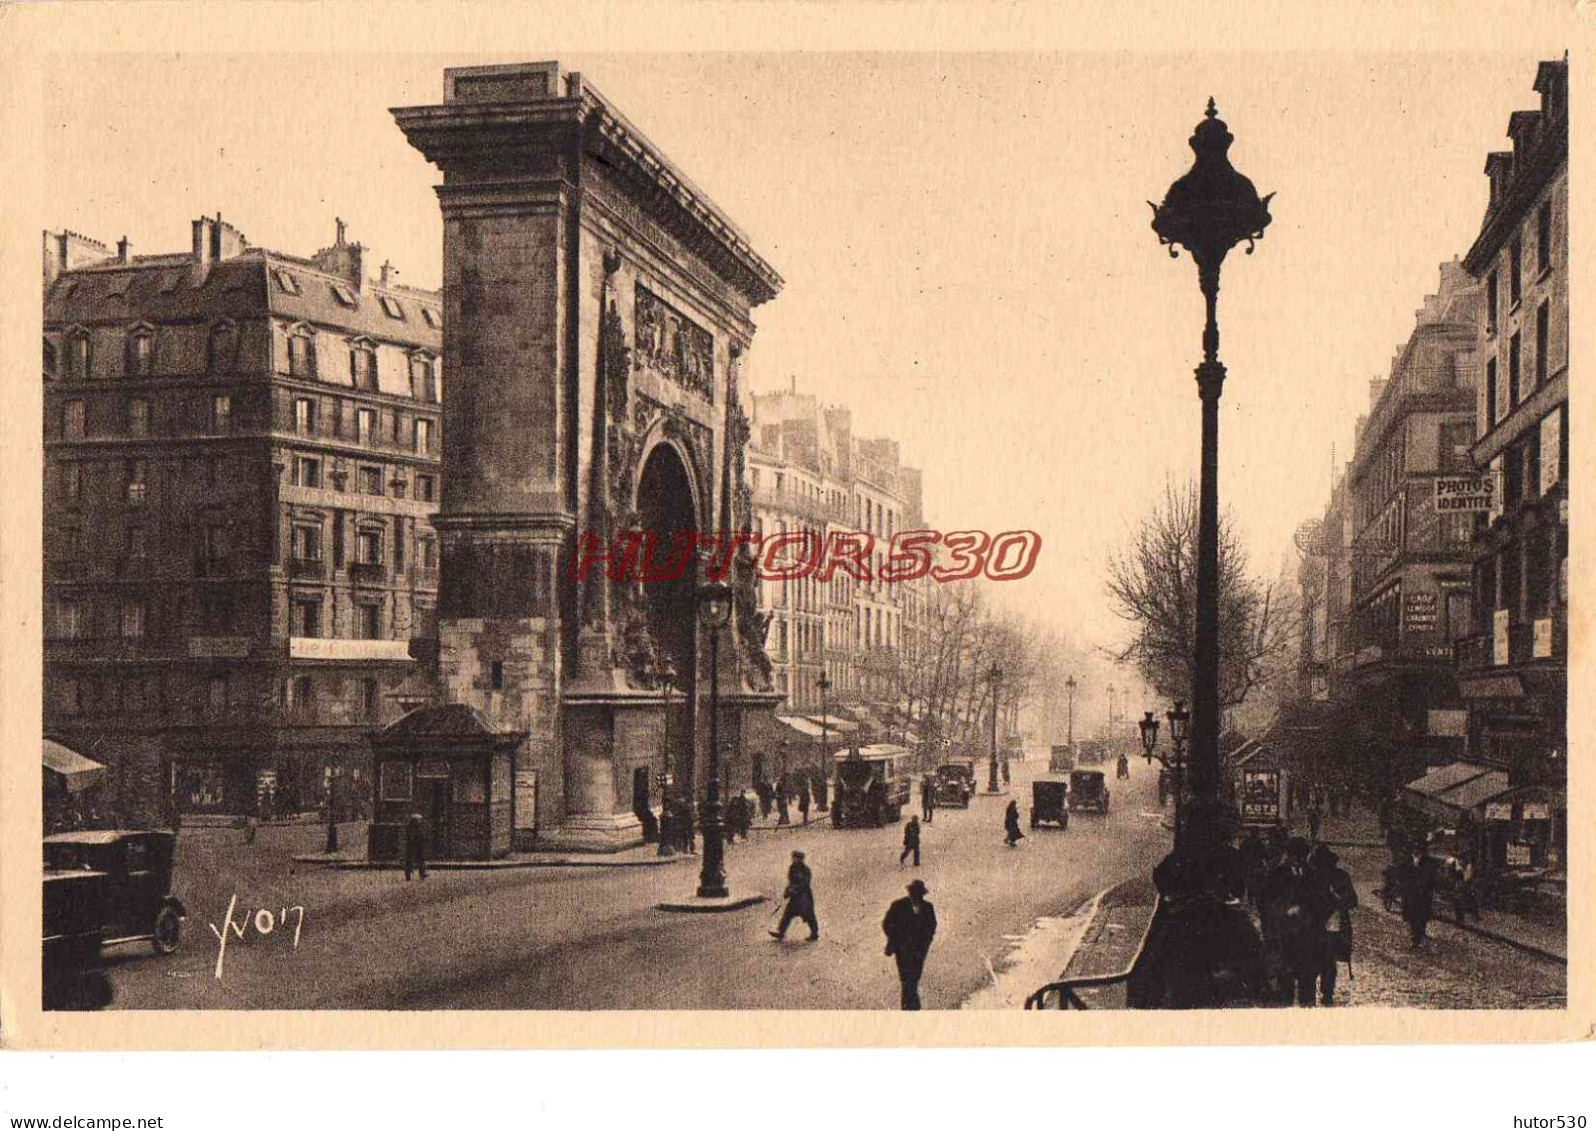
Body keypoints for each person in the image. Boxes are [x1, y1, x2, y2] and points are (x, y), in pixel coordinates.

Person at [1307, 843, 1358, 1006]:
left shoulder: (1338, 877)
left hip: (1330, 926)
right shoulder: (1310, 877)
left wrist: (1336, 899)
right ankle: (1323, 992)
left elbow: (1351, 900)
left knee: (1325, 960)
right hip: (1318, 926)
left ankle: (1325, 993)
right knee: (1323, 960)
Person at [882, 879, 937, 1010]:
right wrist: (895, 939)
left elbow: (931, 927)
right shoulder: (898, 906)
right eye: (914, 893)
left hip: (919, 951)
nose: (916, 896)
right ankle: (911, 1008)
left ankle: (909, 1007)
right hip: (902, 950)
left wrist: (925, 942)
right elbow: (887, 923)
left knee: (913, 979)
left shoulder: (928, 908)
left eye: (918, 894)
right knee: (907, 980)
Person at [1396, 843, 1439, 948]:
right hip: (1410, 895)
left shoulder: (1429, 863)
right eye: (1415, 850)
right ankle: (1415, 938)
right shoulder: (1405, 861)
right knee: (1412, 917)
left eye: (1419, 850)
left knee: (1422, 917)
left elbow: (1432, 878)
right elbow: (1401, 876)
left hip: (1423, 896)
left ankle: (1419, 935)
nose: (1417, 852)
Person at [770, 850, 819, 941]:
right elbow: (790, 881)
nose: (794, 859)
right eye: (793, 858)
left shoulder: (806, 870)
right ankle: (781, 933)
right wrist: (787, 891)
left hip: (804, 897)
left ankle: (814, 933)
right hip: (795, 897)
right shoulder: (792, 868)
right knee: (788, 914)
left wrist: (795, 889)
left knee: (809, 916)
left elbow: (805, 884)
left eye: (796, 858)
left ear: (801, 859)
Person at [1450, 852, 1480, 925]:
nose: (1460, 862)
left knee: (1469, 900)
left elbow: (1467, 878)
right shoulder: (1459, 867)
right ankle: (1459, 918)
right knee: (1456, 899)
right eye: (1459, 860)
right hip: (1461, 888)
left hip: (1468, 887)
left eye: (1461, 860)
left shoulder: (1469, 867)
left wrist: (1461, 871)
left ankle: (1474, 915)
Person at [403, 812, 428, 881]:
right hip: (412, 846)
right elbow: (411, 838)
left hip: (418, 847)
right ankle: (408, 874)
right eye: (418, 820)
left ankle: (422, 873)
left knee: (421, 860)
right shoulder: (412, 829)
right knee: (410, 860)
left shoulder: (418, 829)